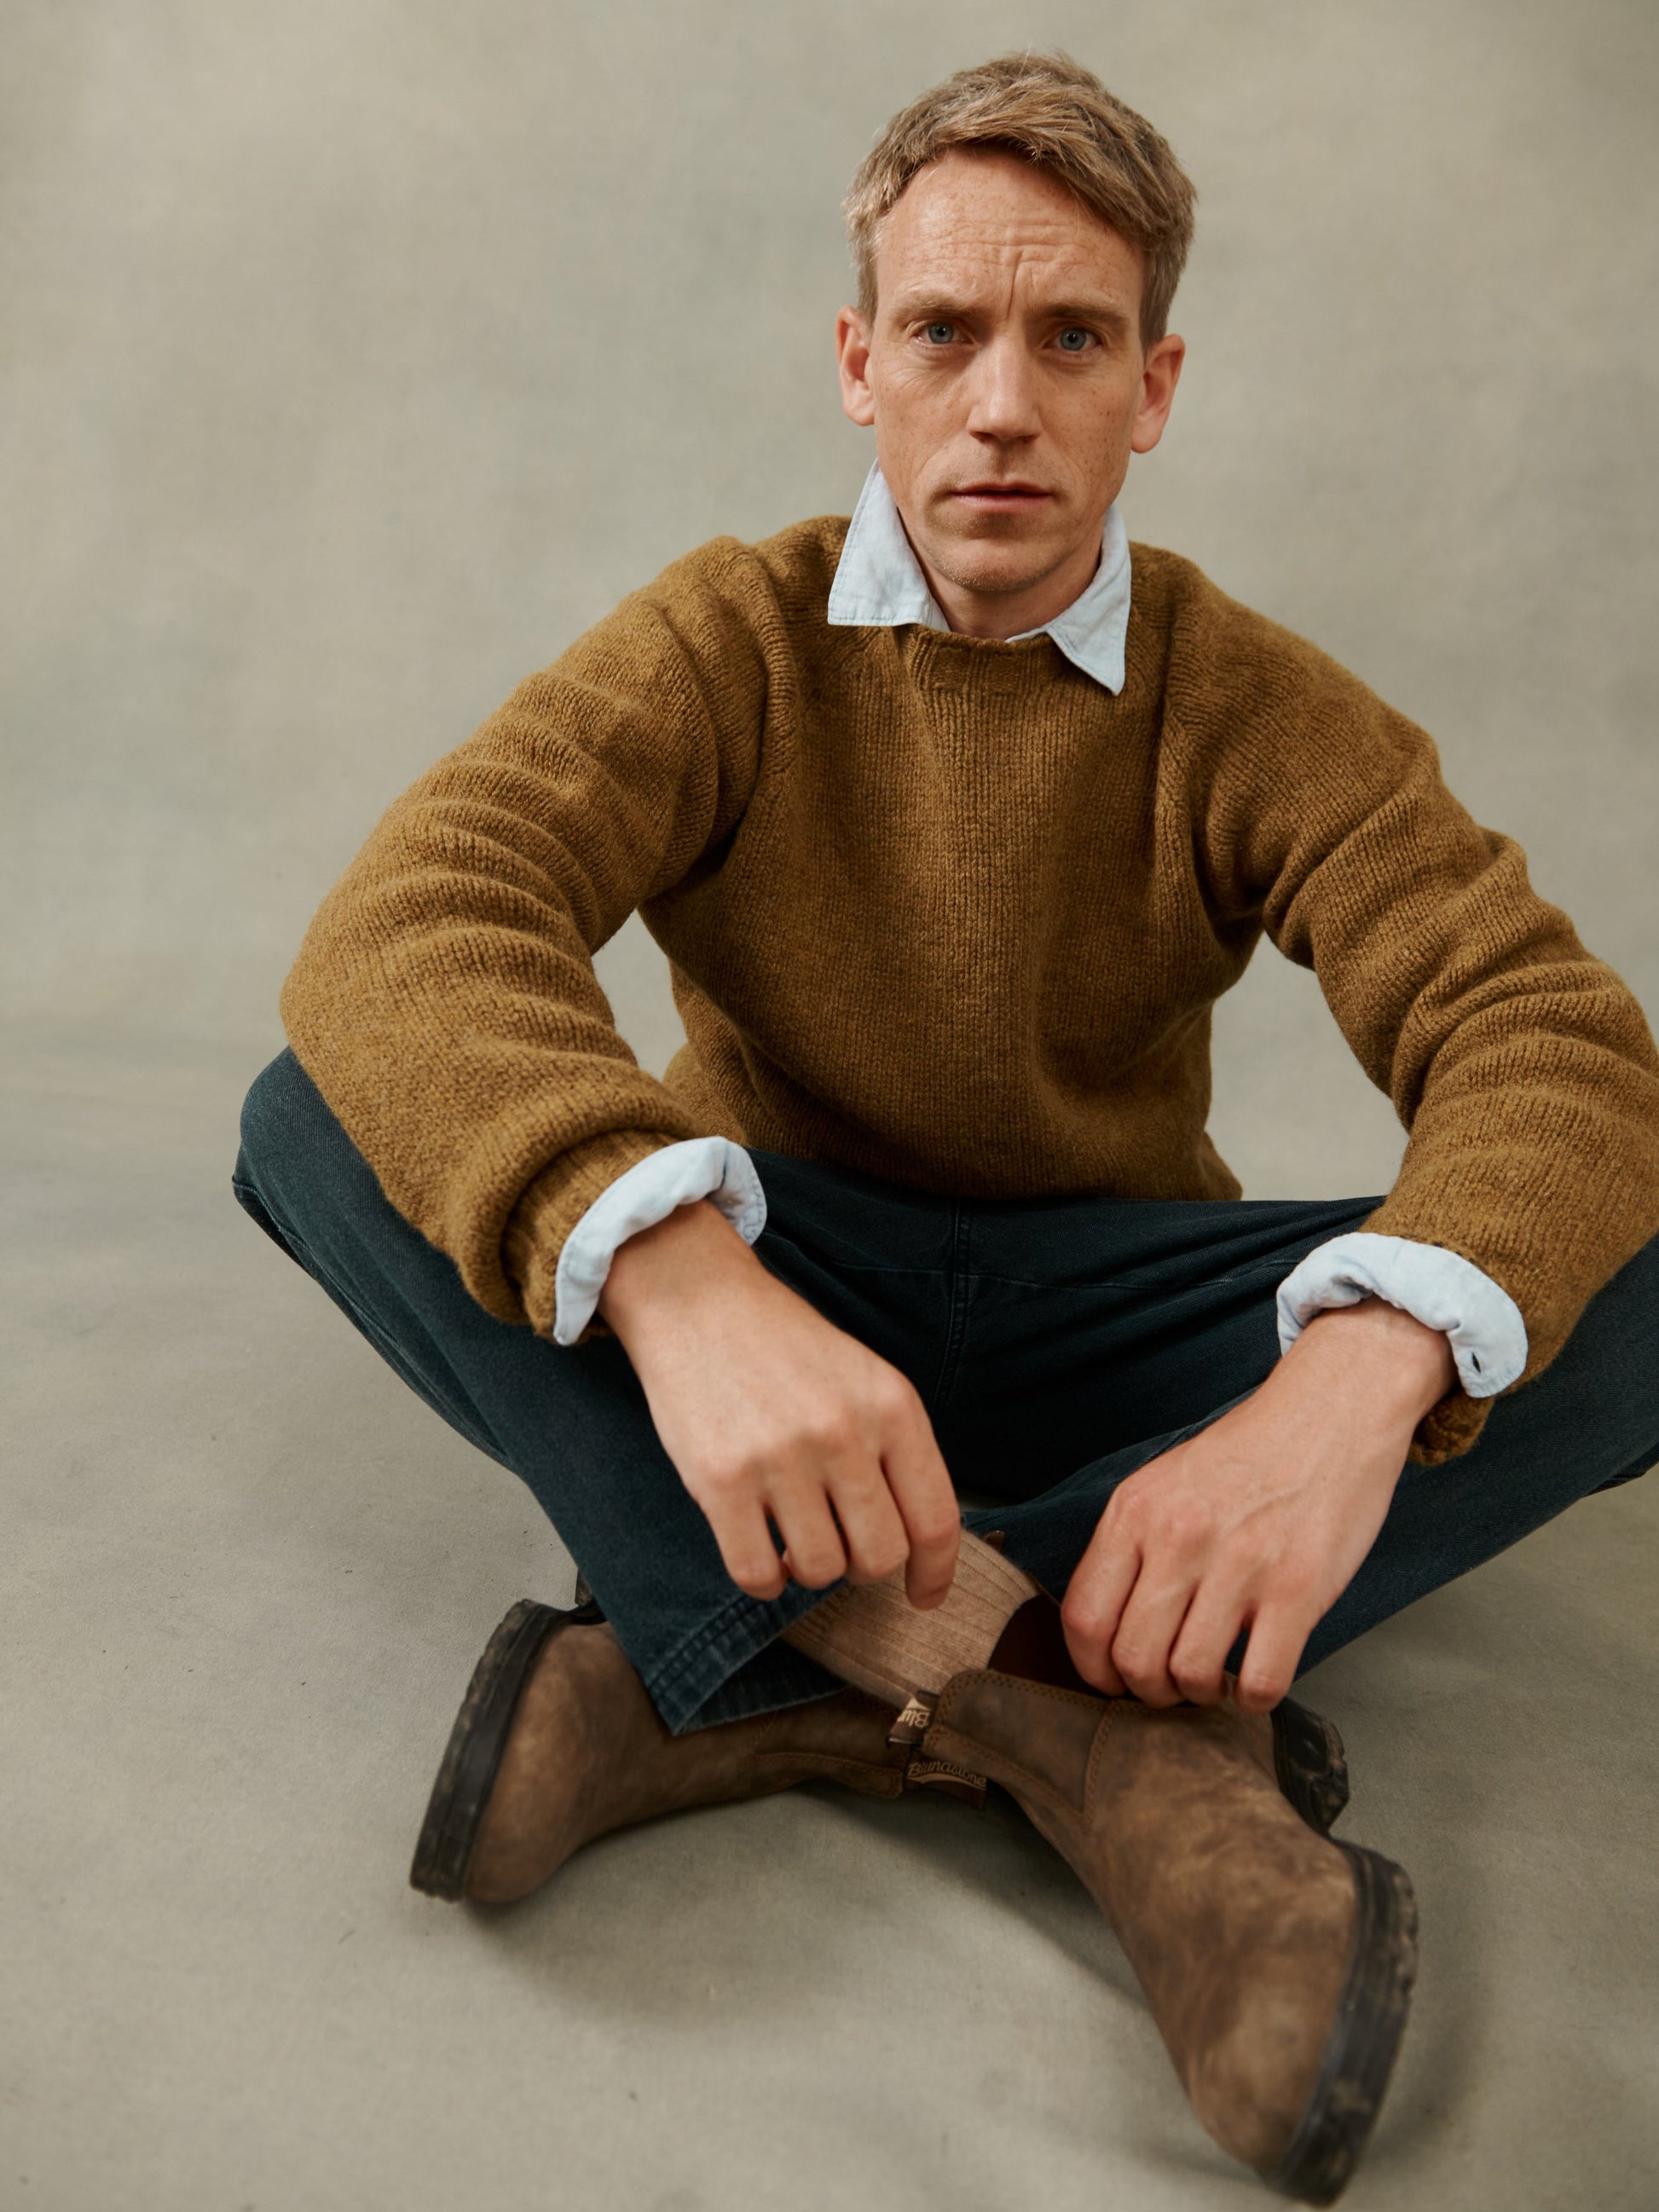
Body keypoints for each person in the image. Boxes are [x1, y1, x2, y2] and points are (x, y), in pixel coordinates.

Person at [233, 51, 1659, 2205]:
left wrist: (1347, 1387)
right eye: (943, 331)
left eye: (1070, 338)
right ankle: (1099, 1719)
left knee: (1621, 1250)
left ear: (1151, 388)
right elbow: (411, 919)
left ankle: (765, 1665)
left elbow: (1549, 1036)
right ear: (858, 364)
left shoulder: (1252, 702)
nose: (1000, 405)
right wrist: (685, 1285)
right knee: (315, 1110)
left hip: (1118, 1325)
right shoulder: (727, 641)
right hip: (782, 1300)